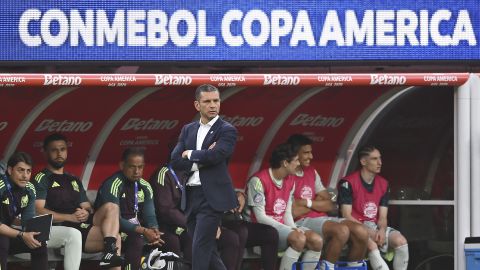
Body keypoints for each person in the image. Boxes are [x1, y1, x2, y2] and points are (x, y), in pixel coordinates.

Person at [170, 84, 238, 270]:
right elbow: (175, 160)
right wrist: (202, 156)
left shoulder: (227, 130)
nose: (213, 105)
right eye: (207, 101)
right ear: (197, 105)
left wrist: (191, 153)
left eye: (216, 100)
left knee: (199, 246)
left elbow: (217, 156)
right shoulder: (188, 129)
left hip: (212, 197)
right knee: (207, 248)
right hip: (191, 195)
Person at [34, 133, 124, 269]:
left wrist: (86, 212)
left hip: (82, 222)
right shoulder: (42, 178)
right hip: (63, 225)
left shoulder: (74, 179)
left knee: (112, 207)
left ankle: (110, 253)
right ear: (45, 152)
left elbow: (87, 206)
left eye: (63, 149)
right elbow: (38, 210)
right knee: (115, 237)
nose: (59, 153)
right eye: (54, 150)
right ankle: (110, 251)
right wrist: (70, 217)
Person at [287, 134, 369, 270]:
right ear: (295, 154)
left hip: (323, 219)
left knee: (361, 231)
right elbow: (294, 212)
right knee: (341, 231)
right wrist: (317, 202)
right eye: (306, 153)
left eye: (311, 152)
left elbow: (329, 204)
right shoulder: (287, 175)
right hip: (300, 222)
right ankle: (326, 268)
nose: (311, 156)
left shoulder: (312, 172)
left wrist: (306, 203)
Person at [245, 143, 323, 270]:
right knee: (299, 239)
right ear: (285, 163)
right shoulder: (258, 181)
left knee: (317, 240)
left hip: (282, 226)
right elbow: (260, 217)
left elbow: (286, 211)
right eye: (296, 160)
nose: (299, 163)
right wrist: (290, 230)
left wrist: (292, 227)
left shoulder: (290, 180)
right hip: (263, 230)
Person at [337, 145, 409, 270]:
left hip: (374, 227)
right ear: (363, 161)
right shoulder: (347, 183)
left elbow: (382, 216)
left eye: (380, 158)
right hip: (353, 227)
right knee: (372, 246)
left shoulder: (384, 184)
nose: (380, 162)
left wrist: (381, 230)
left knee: (401, 242)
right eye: (374, 159)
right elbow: (346, 216)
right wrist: (370, 232)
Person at [94, 147, 163, 270]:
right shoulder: (113, 184)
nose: (136, 171)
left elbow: (150, 215)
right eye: (132, 167)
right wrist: (143, 231)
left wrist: (154, 230)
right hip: (113, 229)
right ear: (122, 165)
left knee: (166, 239)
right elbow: (115, 219)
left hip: (137, 229)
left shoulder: (145, 186)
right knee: (136, 240)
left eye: (140, 167)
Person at [0, 152, 48, 270]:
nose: (25, 175)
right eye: (20, 170)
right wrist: (21, 234)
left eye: (28, 171)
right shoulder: (1, 186)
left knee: (39, 242)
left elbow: (28, 222)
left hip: (7, 233)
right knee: (2, 241)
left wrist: (32, 233)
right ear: (10, 170)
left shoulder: (30, 189)